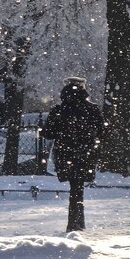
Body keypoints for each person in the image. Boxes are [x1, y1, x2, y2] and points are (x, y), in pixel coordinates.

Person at [40, 76, 104, 232]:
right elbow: (103, 132)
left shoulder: (59, 109)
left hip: (65, 154)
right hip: (85, 153)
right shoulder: (92, 109)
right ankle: (78, 221)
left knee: (74, 186)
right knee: (78, 186)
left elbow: (48, 133)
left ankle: (74, 222)